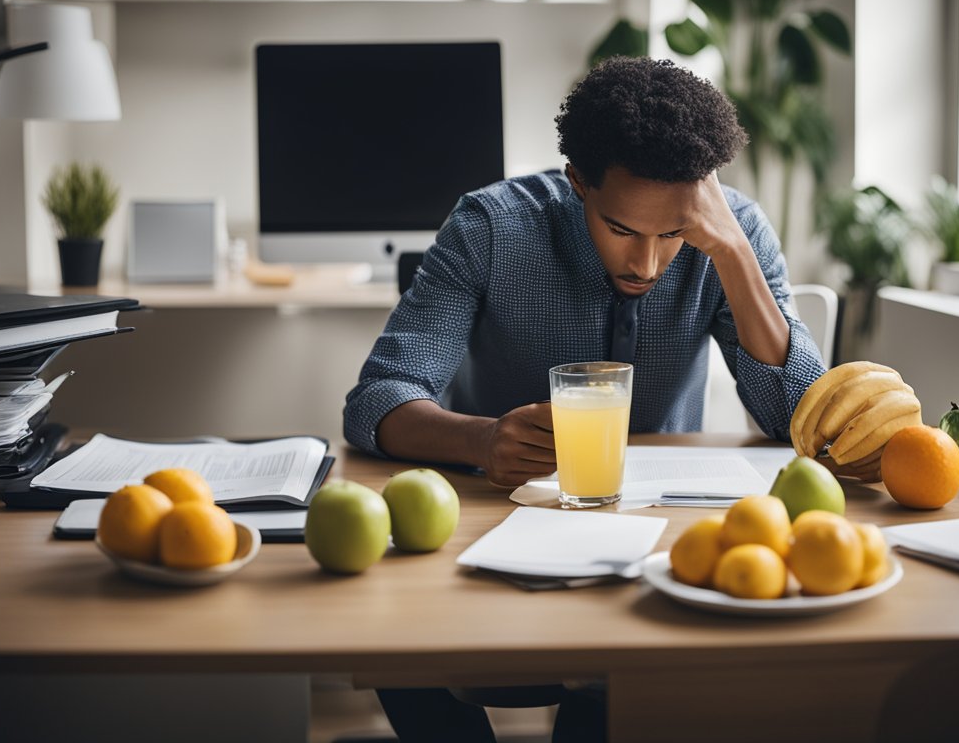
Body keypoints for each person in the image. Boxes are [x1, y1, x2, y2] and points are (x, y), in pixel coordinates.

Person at [342, 56, 827, 742]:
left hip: (661, 546)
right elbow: (375, 401)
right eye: (624, 230)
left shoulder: (731, 232)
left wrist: (733, 255)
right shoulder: (488, 228)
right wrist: (479, 440)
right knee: (395, 643)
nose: (647, 263)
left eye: (673, 235)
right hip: (490, 528)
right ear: (579, 184)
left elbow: (803, 419)